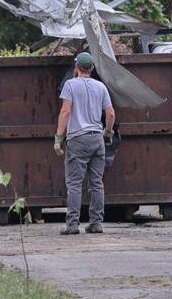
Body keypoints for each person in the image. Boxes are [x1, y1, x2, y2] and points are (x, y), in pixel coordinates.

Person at [54, 52, 115, 235]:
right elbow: (110, 114)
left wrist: (58, 137)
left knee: (74, 184)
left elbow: (65, 111)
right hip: (97, 139)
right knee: (96, 183)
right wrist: (107, 133)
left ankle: (73, 225)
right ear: (92, 68)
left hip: (77, 140)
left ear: (76, 67)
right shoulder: (101, 87)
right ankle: (96, 223)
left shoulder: (70, 85)